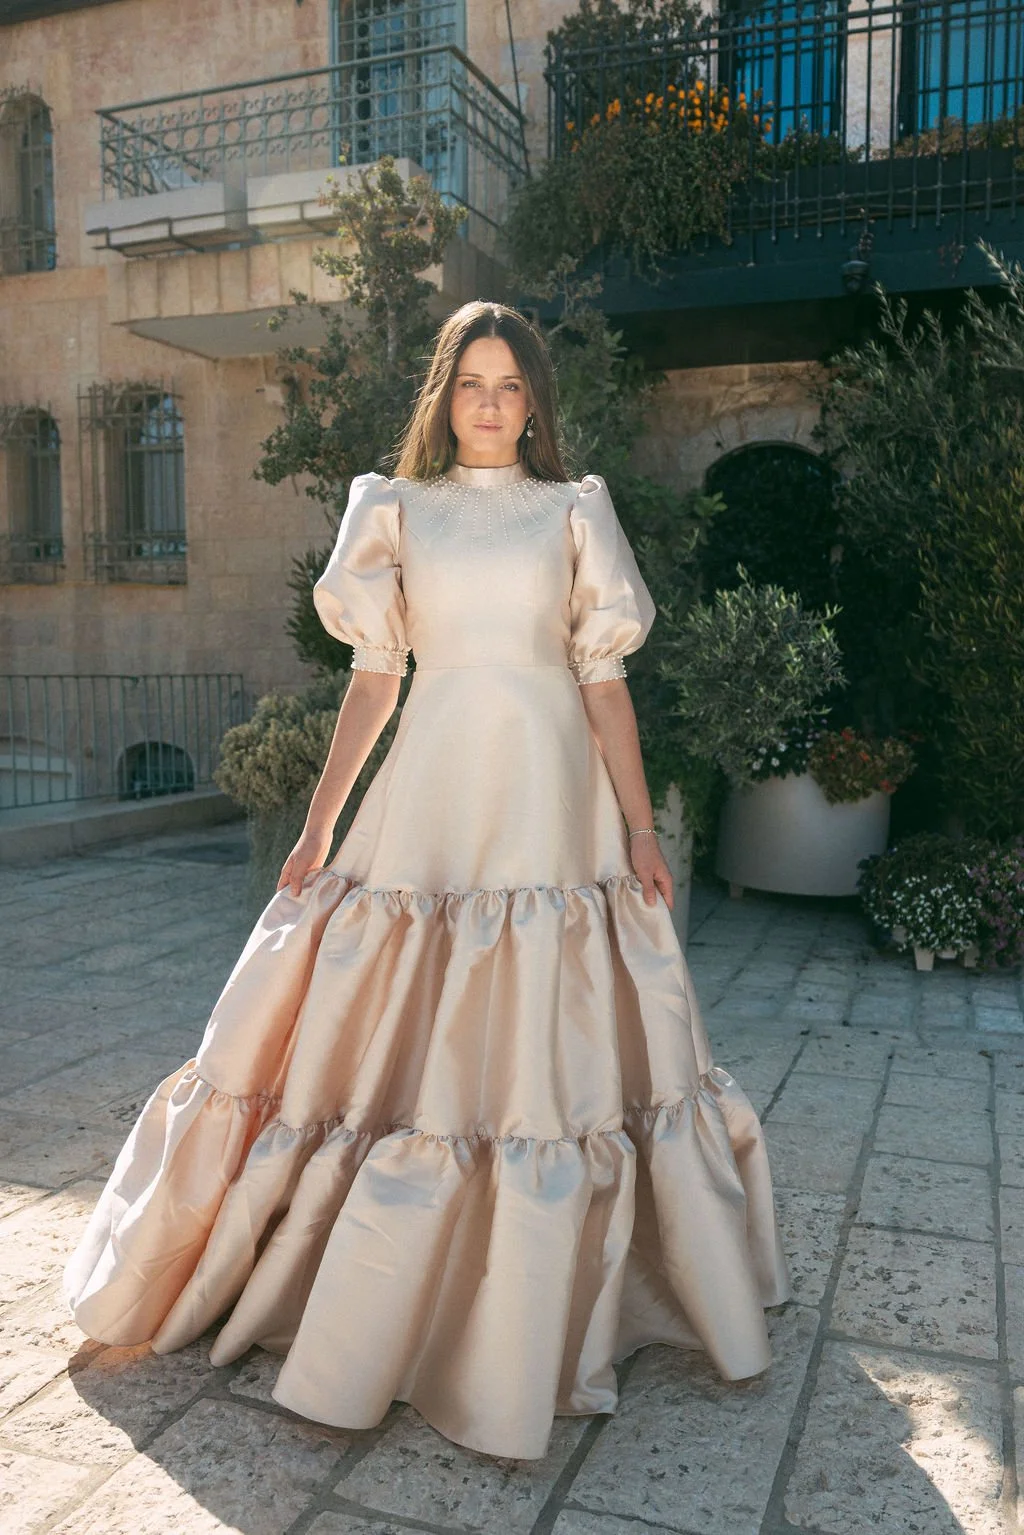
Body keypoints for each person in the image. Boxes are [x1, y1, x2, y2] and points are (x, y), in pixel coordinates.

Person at [64, 300, 790, 1461]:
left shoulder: (574, 512)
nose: (491, 403)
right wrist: (318, 825)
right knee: (397, 1032)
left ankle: (544, 1294)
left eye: (509, 384)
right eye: (470, 383)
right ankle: (372, 1285)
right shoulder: (392, 509)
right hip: (431, 797)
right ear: (442, 397)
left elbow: (604, 685)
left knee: (555, 1042)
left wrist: (642, 829)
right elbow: (372, 680)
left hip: (552, 803)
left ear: (535, 402)